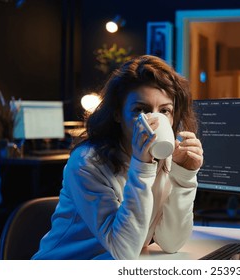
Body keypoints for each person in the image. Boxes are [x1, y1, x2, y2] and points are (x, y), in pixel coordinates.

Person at [32, 55, 204, 260]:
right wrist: (142, 167)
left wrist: (184, 177)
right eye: (140, 110)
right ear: (117, 114)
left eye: (165, 110)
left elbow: (171, 242)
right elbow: (124, 251)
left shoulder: (164, 158)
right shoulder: (87, 163)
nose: (154, 120)